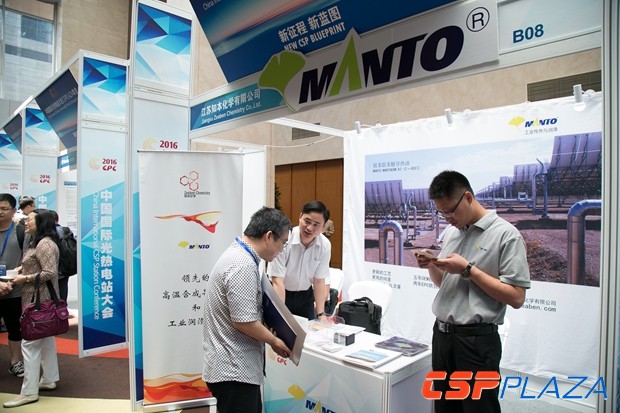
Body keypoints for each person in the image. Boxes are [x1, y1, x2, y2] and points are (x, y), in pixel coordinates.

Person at [414, 170, 531, 413]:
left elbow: (517, 297)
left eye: (450, 211)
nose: (447, 218)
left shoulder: (506, 235)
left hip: (476, 342)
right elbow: (445, 283)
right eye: (441, 212)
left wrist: (468, 269)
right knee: (445, 408)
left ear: (468, 197)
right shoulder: (452, 232)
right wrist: (432, 265)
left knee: (479, 408)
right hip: (442, 337)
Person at [202, 206, 293, 413]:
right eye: (283, 243)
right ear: (269, 236)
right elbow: (244, 321)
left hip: (232, 366)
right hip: (234, 369)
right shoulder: (242, 265)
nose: (282, 249)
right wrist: (274, 341)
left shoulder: (239, 255)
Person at [4, 209, 61, 408]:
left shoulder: (45, 243)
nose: (25, 222)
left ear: (40, 222)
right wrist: (23, 268)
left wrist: (25, 278)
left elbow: (49, 272)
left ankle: (28, 392)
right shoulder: (37, 241)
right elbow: (38, 265)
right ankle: (49, 379)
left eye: (29, 220)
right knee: (45, 341)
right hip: (39, 300)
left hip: (39, 301)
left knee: (29, 344)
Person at [268, 200, 331, 320]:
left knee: (310, 330)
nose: (309, 228)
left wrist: (321, 314)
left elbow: (319, 281)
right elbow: (277, 281)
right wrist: (280, 315)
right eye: (307, 221)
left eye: (316, 224)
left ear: (323, 226)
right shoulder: (285, 239)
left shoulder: (325, 245)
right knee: (280, 328)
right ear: (300, 217)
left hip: (305, 297)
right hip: (280, 292)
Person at [0, 194, 25, 378]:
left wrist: (13, 279)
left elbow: (29, 259)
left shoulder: (21, 231)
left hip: (13, 290)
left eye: (4, 208)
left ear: (14, 210)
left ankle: (15, 362)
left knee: (14, 328)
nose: (0, 212)